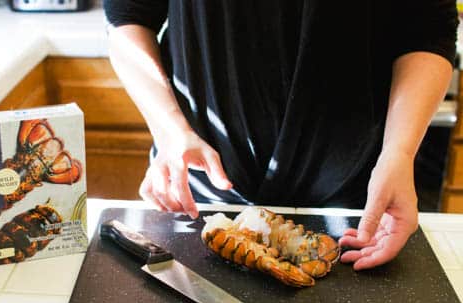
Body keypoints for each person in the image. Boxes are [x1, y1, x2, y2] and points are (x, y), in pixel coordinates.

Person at [103, 1, 458, 270]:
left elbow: (427, 31)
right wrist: (170, 130)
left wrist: (399, 152)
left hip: (360, 204)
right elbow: (128, 17)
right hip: (198, 193)